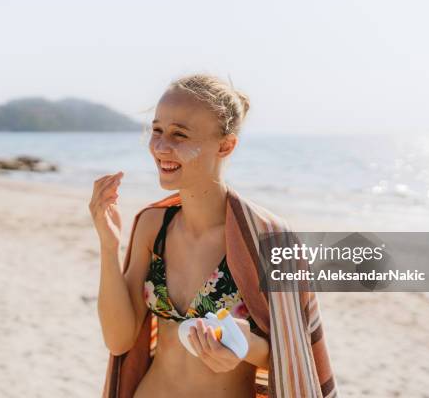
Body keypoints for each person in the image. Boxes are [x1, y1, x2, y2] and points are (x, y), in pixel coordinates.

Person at [90, 74, 337, 398]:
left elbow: (293, 355)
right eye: (157, 130)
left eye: (180, 135)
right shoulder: (153, 226)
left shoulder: (268, 240)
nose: (162, 147)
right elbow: (119, 340)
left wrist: (245, 346)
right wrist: (109, 249)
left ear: (226, 145)